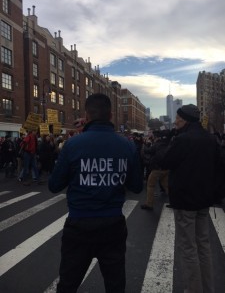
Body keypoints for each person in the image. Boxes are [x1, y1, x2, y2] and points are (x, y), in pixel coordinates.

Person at [48, 93, 143, 293]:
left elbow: (54, 185)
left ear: (86, 116)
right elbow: (136, 186)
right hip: (113, 224)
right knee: (115, 284)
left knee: (68, 283)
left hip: (79, 224)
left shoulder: (73, 144)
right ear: (110, 116)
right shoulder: (127, 145)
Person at [161, 104, 220, 293]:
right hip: (204, 200)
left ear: (185, 119)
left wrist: (168, 139)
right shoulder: (211, 139)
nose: (176, 121)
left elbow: (164, 161)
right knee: (203, 244)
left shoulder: (182, 140)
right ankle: (207, 288)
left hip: (185, 201)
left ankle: (194, 290)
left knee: (188, 248)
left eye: (178, 118)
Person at [141, 132, 169, 210]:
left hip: (157, 169)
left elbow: (148, 151)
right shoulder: (167, 144)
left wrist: (146, 144)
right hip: (166, 169)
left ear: (157, 138)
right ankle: (175, 201)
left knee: (150, 185)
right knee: (166, 186)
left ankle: (149, 204)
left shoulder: (157, 144)